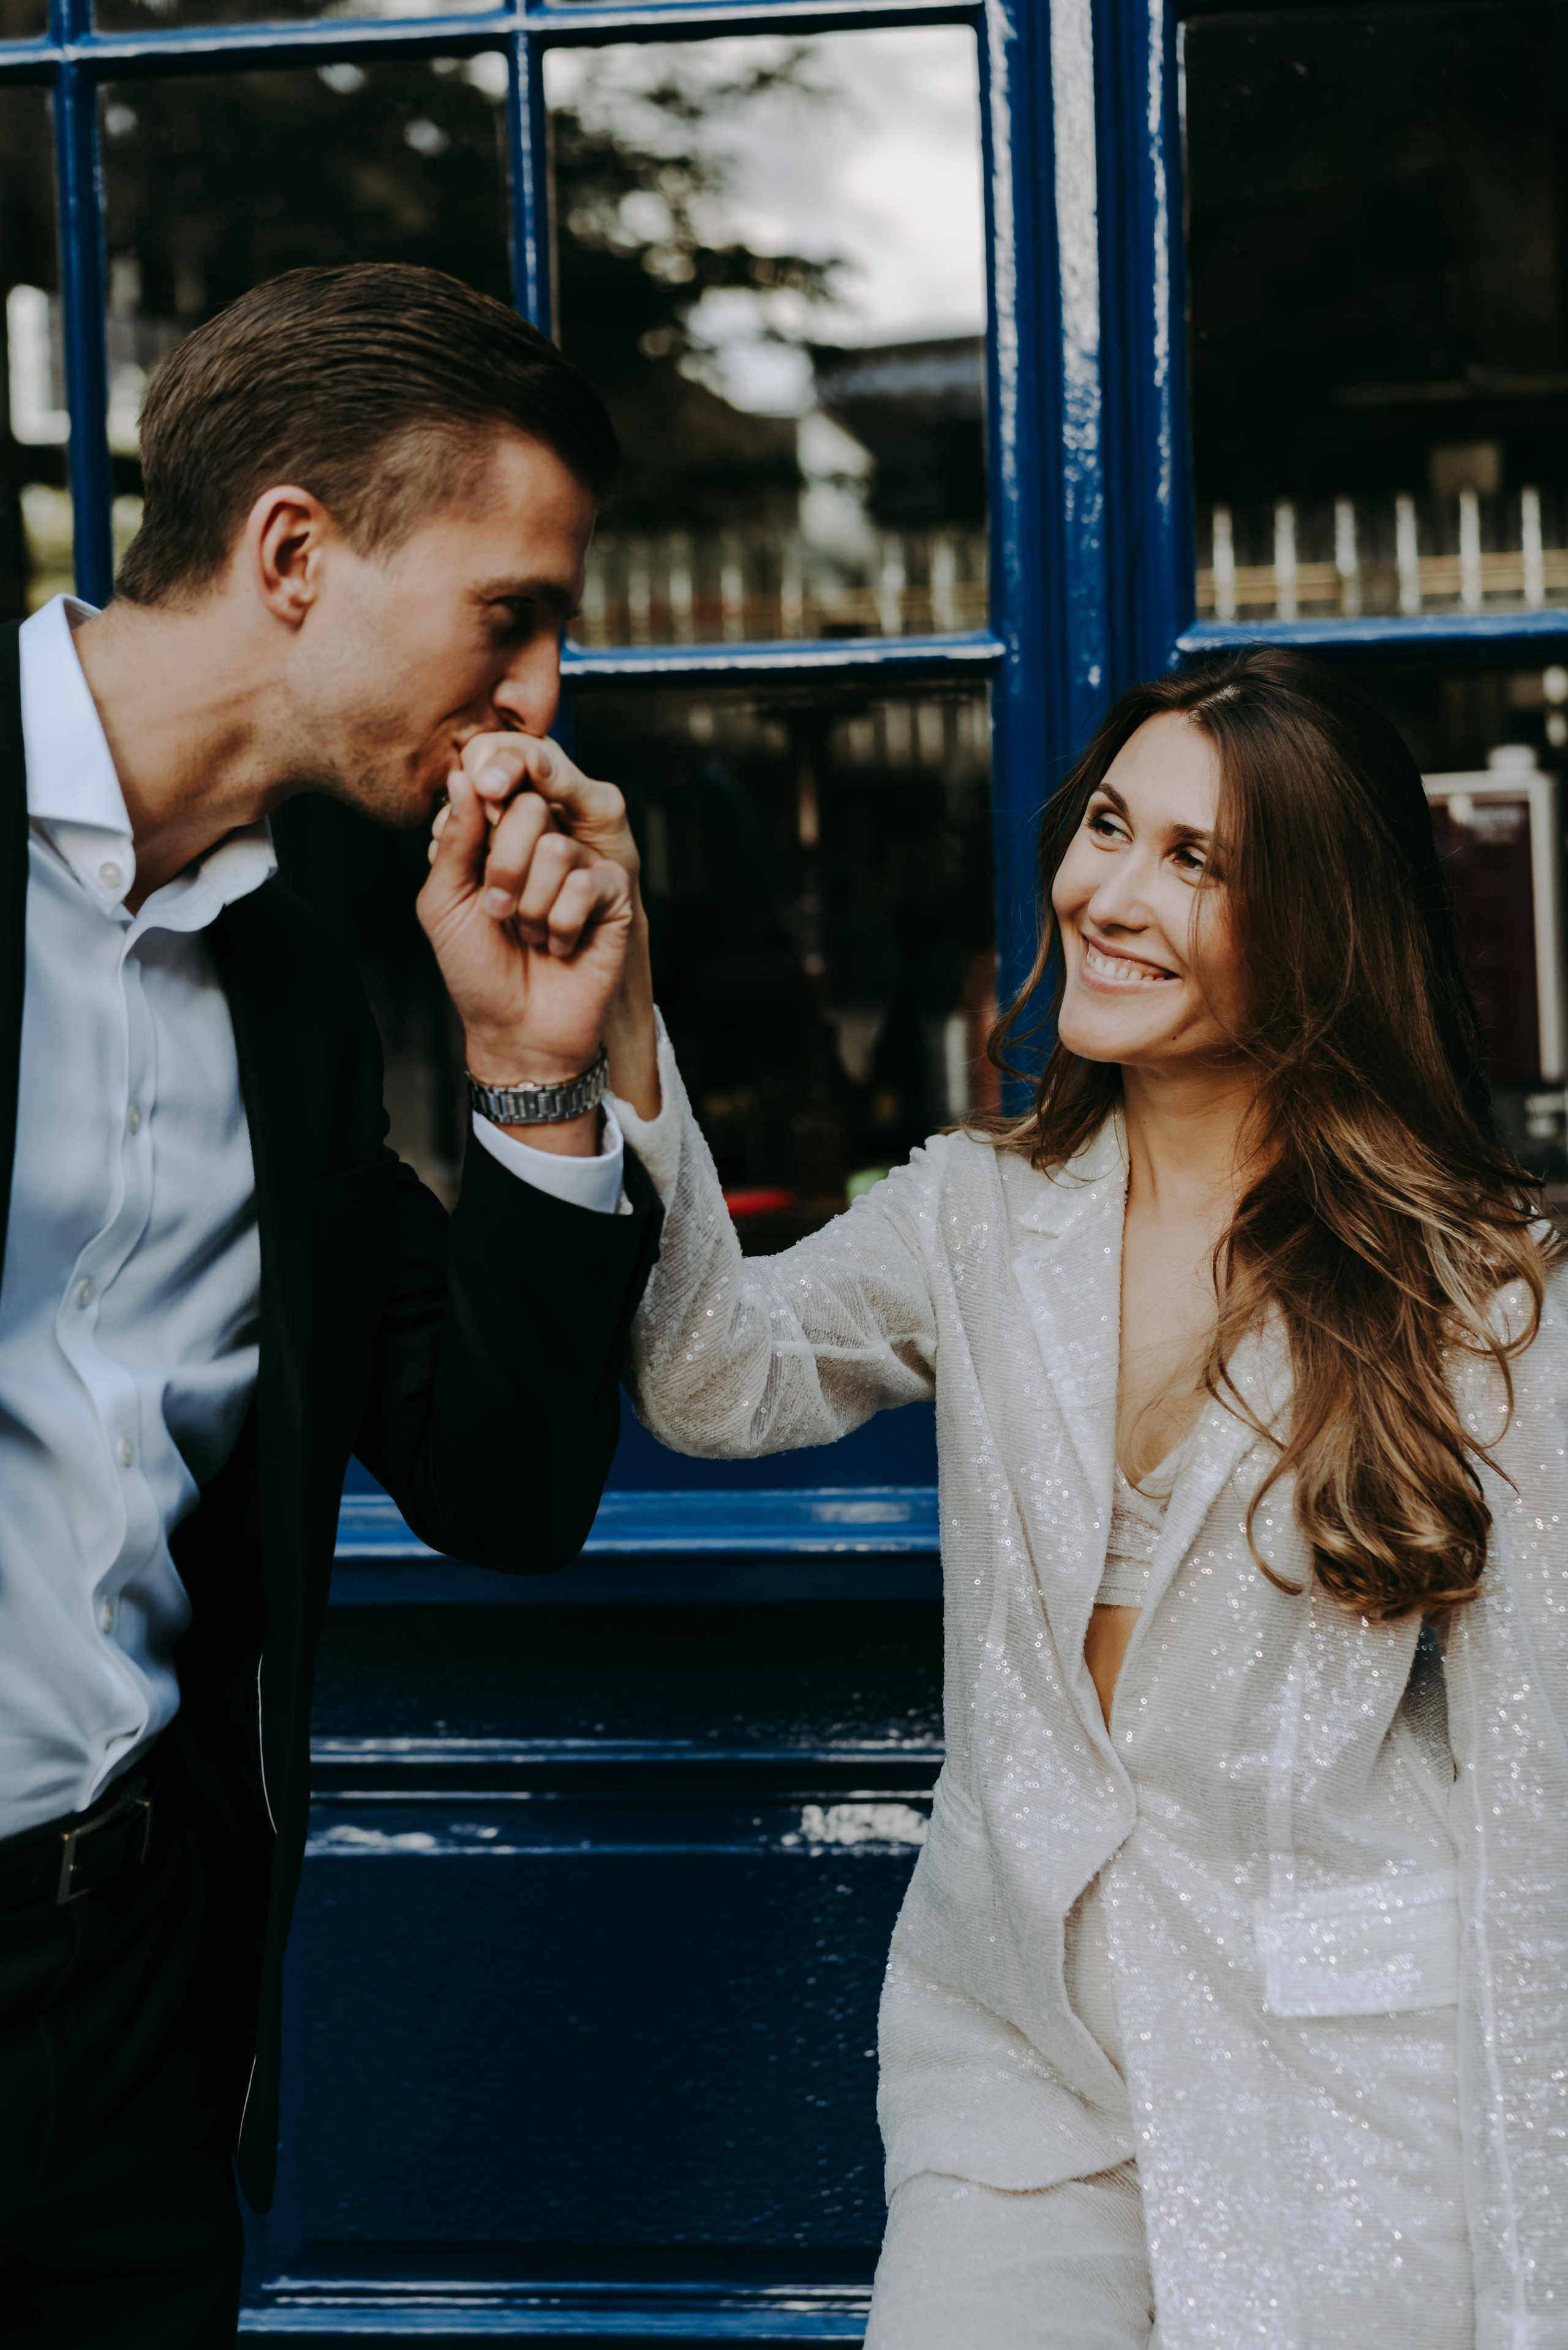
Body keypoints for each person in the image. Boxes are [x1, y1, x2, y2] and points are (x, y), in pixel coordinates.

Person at [524, 645, 1568, 2345]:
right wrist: (626, 1028)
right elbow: (715, 1379)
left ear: (1322, 925)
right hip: (1018, 2068)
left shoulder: (1488, 1297)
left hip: (1350, 2091)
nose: (1111, 894)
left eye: (1195, 860)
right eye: (1108, 827)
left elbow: (1540, 1811)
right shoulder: (978, 1211)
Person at [0, 262, 661, 2348]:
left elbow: (506, 1488)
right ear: (295, 553)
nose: (538, 695)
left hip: (118, 2017)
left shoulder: (292, 989)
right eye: (508, 614)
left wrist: (533, 1069)